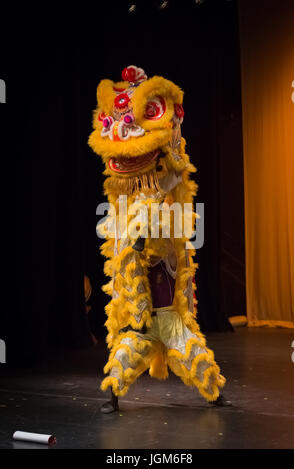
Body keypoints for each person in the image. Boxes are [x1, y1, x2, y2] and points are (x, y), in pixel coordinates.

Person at [88, 66, 232, 413]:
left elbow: (174, 184)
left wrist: (172, 152)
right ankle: (114, 395)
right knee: (123, 356)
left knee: (190, 351)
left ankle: (213, 391)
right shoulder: (124, 204)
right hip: (137, 314)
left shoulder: (165, 196)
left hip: (167, 310)